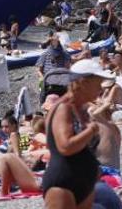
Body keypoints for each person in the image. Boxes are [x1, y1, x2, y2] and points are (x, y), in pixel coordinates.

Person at [42, 60, 114, 209]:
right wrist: (91, 130)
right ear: (83, 82)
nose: (100, 89)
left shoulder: (80, 109)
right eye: (98, 83)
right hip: (64, 184)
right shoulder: (63, 108)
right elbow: (65, 146)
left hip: (82, 183)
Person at [37, 36, 72, 104]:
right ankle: (42, 100)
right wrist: (42, 78)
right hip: (48, 79)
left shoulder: (65, 54)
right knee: (42, 85)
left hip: (61, 78)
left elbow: (67, 68)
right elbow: (39, 70)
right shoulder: (45, 54)